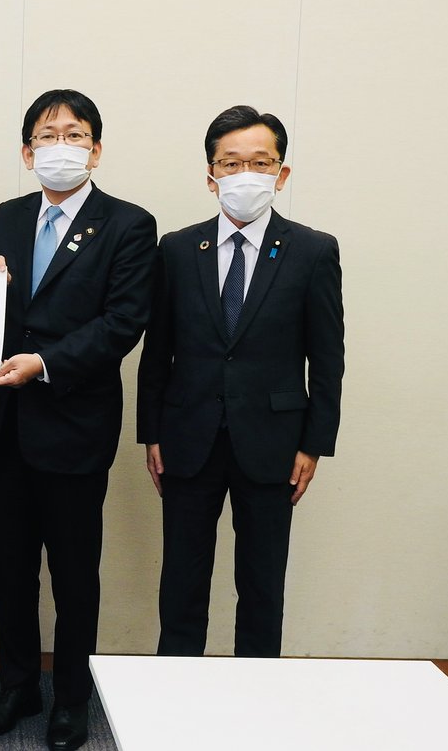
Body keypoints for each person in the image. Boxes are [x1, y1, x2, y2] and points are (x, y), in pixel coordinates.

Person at [0, 89, 157, 751]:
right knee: (10, 568)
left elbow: (122, 323)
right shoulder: (10, 215)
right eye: (46, 137)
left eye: (74, 135)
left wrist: (45, 363)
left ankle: (72, 697)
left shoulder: (128, 224)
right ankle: (17, 686)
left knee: (75, 574)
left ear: (96, 150)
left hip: (74, 424)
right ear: (28, 153)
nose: (60, 147)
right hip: (5, 425)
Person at [136, 105, 344, 658]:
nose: (244, 174)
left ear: (282, 173)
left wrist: (314, 444)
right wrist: (151, 433)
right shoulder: (177, 249)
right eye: (231, 163)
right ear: (211, 176)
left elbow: (327, 360)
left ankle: (258, 695)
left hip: (274, 442)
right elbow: (157, 352)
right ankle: (176, 691)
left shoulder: (313, 251)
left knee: (261, 583)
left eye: (260, 162)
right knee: (182, 581)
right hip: (187, 437)